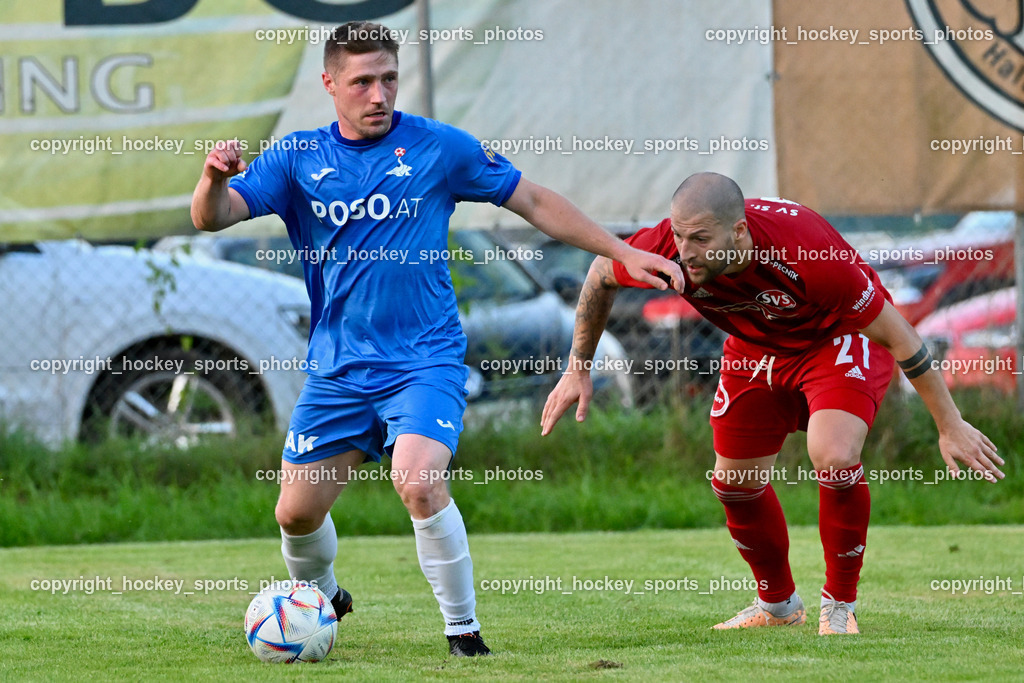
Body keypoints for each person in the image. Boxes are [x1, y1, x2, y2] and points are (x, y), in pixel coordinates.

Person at [190, 21, 681, 657]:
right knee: (295, 514)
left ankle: (463, 632)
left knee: (418, 480)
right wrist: (213, 178)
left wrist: (621, 251)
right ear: (330, 84)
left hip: (425, 362)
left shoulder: (437, 149)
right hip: (338, 370)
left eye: (389, 79)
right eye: (362, 82)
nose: (378, 94)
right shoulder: (297, 158)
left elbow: (530, 197)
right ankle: (323, 597)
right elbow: (213, 217)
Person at [541, 172, 1003, 635]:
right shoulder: (668, 247)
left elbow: (899, 335)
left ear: (738, 232)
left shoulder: (808, 255)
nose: (685, 251)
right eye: (680, 236)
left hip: (835, 339)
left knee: (835, 455)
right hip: (756, 347)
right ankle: (779, 605)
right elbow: (602, 272)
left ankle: (839, 604)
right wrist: (578, 365)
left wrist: (950, 423)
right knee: (733, 483)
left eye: (700, 239)